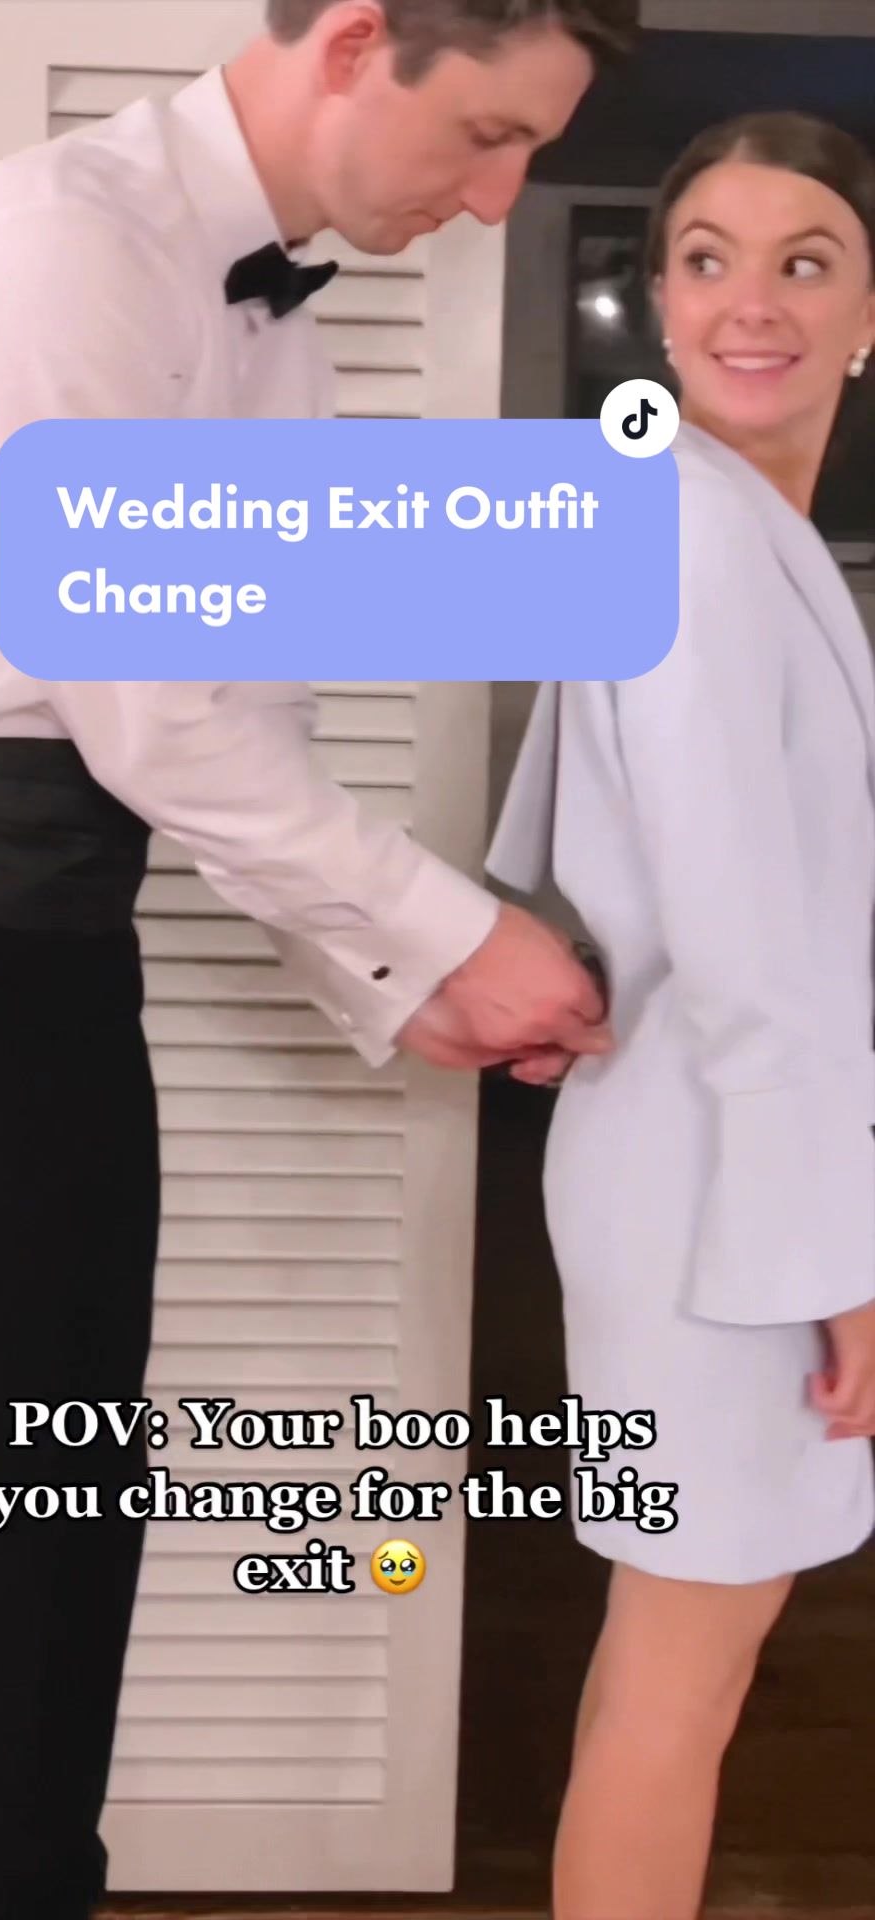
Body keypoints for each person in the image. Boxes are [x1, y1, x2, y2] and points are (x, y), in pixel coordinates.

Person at [0, 3, 633, 1915]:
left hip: (48, 964)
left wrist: (409, 984)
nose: (497, 199)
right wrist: (458, 936)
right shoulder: (56, 254)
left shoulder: (273, 328)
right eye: (488, 134)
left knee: (65, 1525)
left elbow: (238, 715)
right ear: (357, 41)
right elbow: (156, 716)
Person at [488, 110, 875, 1920]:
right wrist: (839, 1258)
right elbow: (744, 944)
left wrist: (571, 954)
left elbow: (572, 830)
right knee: (681, 1678)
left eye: (806, 262)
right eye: (708, 261)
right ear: (658, 300)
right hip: (726, 1199)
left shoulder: (702, 523)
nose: (750, 305)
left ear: (870, 310)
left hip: (700, 1158)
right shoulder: (700, 540)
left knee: (676, 1664)